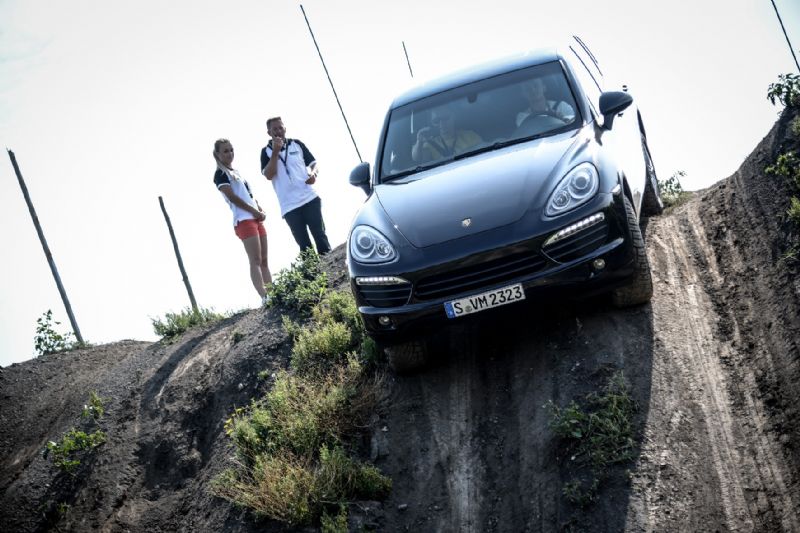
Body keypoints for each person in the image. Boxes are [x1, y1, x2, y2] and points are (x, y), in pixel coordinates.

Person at [213, 138, 272, 306]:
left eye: (231, 150)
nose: (230, 153)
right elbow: (232, 197)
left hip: (256, 218)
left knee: (264, 260)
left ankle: (273, 293)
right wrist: (253, 211)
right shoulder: (220, 174)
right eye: (225, 151)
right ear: (217, 154)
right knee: (255, 260)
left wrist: (259, 208)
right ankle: (264, 296)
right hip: (244, 220)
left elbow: (248, 195)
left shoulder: (237, 172)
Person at [261, 116, 331, 255]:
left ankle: (329, 265)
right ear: (269, 132)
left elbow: (314, 164)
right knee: (304, 246)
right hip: (290, 206)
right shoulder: (265, 152)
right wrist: (275, 152)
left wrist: (313, 174)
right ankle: (312, 270)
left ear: (285, 128)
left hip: (309, 198)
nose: (278, 131)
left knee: (320, 236)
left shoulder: (296, 144)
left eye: (280, 127)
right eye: (275, 129)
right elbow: (268, 175)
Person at [411, 106, 483, 163]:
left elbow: (482, 156)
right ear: (432, 124)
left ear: (454, 116)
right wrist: (419, 142)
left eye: (445, 118)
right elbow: (417, 158)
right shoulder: (430, 144)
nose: (442, 124)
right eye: (436, 121)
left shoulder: (470, 135)